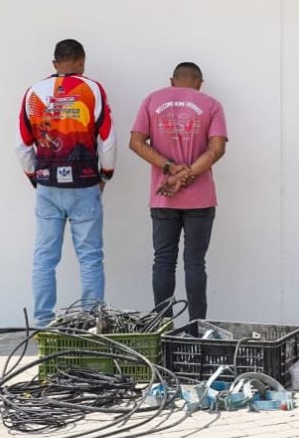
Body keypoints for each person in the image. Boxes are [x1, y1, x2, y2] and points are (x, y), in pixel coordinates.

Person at [15, 39, 116, 327]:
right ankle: (91, 323)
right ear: (82, 62)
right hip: (84, 184)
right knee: (90, 258)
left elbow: (21, 145)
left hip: (47, 185)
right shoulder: (93, 89)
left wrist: (36, 178)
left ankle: (42, 324)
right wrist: (105, 175)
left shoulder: (34, 92)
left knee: (44, 258)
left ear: (54, 63)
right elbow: (108, 140)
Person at [128, 62, 228, 322]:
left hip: (163, 196)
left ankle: (163, 327)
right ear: (199, 83)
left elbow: (135, 142)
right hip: (200, 198)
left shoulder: (152, 100)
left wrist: (170, 169)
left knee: (163, 261)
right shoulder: (211, 104)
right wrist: (188, 173)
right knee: (195, 263)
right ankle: (196, 328)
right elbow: (217, 149)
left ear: (172, 81)